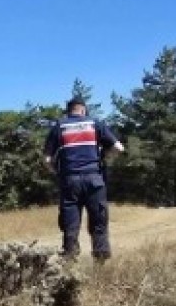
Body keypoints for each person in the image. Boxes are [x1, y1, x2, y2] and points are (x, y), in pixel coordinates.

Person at [44, 98, 124, 263]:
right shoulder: (95, 123)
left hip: (69, 180)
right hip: (94, 179)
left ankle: (70, 262)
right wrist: (105, 159)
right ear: (83, 110)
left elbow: (46, 160)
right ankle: (101, 262)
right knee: (98, 222)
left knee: (70, 224)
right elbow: (119, 148)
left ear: (69, 111)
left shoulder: (59, 126)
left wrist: (56, 172)